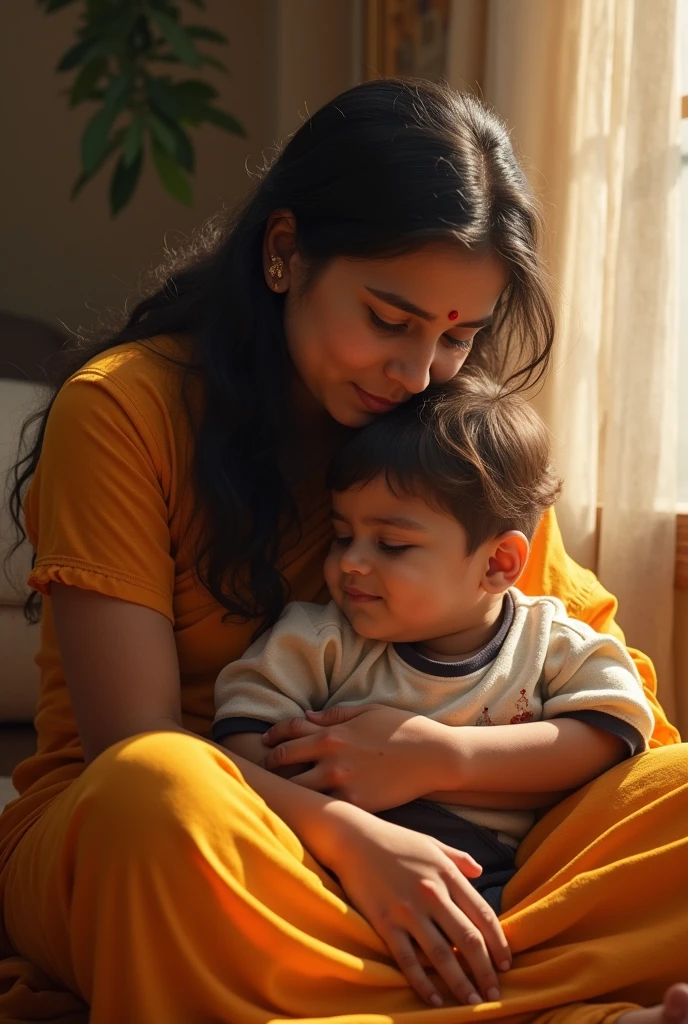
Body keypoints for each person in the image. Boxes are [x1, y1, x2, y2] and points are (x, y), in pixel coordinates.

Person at [0, 78, 685, 1024]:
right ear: (285, 253)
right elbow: (134, 742)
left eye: (458, 336)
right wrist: (353, 839)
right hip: (201, 842)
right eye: (389, 319)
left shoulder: (450, 434)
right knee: (156, 795)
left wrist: (437, 760)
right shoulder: (123, 410)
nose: (416, 374)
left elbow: (624, 711)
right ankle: (534, 1000)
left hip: (458, 853)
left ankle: (374, 994)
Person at [213, 372, 656, 918]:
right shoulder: (320, 639)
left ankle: (614, 1009)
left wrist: (447, 759)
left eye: (392, 544)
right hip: (338, 869)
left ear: (498, 564)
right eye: (342, 535)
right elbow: (240, 742)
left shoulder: (550, 643)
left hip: (497, 880)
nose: (351, 561)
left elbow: (613, 730)